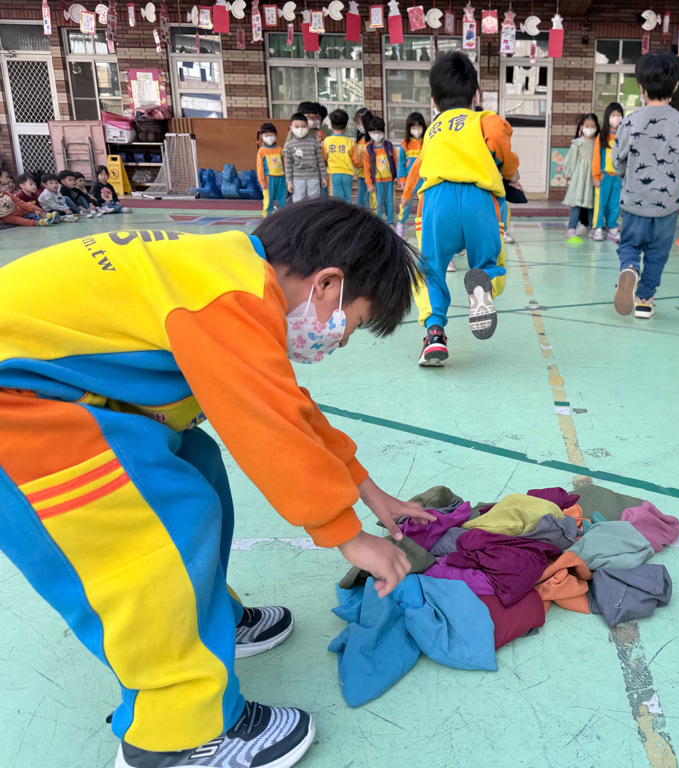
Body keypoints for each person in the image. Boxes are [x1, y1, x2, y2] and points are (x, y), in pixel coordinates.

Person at [0, 198, 433, 768]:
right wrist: (349, 536)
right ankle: (178, 733)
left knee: (195, 460)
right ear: (328, 284)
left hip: (50, 393)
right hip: (19, 415)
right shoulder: (230, 297)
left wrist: (370, 493)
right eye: (350, 324)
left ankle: (209, 623)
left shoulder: (226, 273)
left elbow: (288, 406)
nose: (340, 340)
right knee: (162, 524)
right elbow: (269, 430)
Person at [410, 51, 520, 367]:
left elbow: (418, 169)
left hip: (436, 202)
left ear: (434, 101)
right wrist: (509, 171)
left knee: (430, 269)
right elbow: (499, 136)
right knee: (489, 260)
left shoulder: (431, 131)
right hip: (479, 200)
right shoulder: (482, 119)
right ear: (476, 95)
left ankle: (434, 334)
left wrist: (405, 198)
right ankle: (483, 284)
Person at [612, 50, 679, 320]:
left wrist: (629, 178)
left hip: (634, 202)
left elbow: (618, 161)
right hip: (666, 206)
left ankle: (629, 269)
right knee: (657, 254)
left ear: (641, 87)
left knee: (629, 244)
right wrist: (672, 179)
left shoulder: (629, 121)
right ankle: (644, 301)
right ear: (675, 86)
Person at [564, 113, 599, 239]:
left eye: (592, 126)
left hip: (592, 178)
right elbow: (571, 159)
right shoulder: (577, 143)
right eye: (587, 126)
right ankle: (571, 228)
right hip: (579, 178)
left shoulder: (598, 144)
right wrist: (568, 172)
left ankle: (593, 228)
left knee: (592, 203)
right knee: (576, 203)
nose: (589, 129)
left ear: (597, 128)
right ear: (581, 127)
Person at [593, 102, 624, 242]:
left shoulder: (624, 136)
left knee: (615, 204)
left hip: (618, 177)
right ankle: (598, 228)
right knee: (601, 203)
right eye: (613, 115)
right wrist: (596, 176)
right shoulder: (602, 136)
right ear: (607, 117)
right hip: (604, 176)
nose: (616, 118)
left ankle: (613, 228)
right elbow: (596, 157)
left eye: (619, 115)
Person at [363, 115, 398, 227]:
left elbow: (395, 161)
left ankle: (390, 223)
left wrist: (397, 177)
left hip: (389, 181)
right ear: (369, 133)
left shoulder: (389, 146)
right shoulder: (368, 149)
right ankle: (377, 224)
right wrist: (369, 183)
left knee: (390, 203)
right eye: (374, 132)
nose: (377, 135)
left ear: (383, 132)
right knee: (377, 204)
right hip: (377, 182)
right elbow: (366, 167)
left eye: (379, 132)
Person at [283, 113, 327, 203]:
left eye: (303, 126)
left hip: (313, 177)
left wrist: (323, 177)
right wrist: (289, 182)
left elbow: (320, 161)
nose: (300, 129)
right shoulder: (289, 145)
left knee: (314, 200)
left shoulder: (314, 143)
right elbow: (288, 165)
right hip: (297, 178)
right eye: (297, 126)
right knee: (299, 201)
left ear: (307, 127)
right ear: (291, 128)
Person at [396, 111, 427, 238]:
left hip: (424, 179)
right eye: (413, 127)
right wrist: (402, 179)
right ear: (409, 129)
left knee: (425, 204)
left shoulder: (427, 142)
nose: (416, 130)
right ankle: (400, 225)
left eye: (419, 127)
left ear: (423, 127)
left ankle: (425, 229)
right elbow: (401, 162)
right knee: (405, 204)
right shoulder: (405, 144)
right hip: (410, 180)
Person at [323, 109, 356, 203]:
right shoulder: (350, 142)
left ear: (331, 124)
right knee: (347, 198)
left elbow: (324, 158)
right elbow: (355, 160)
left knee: (336, 199)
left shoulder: (327, 141)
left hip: (334, 173)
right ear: (346, 125)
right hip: (348, 174)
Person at [256, 122, 288, 216]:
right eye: (266, 135)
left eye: (271, 135)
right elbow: (260, 167)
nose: (269, 137)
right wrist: (262, 181)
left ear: (276, 135)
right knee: (268, 200)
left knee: (282, 200)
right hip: (268, 179)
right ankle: (266, 217)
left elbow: (286, 164)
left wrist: (288, 178)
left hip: (281, 178)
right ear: (262, 136)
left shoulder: (280, 150)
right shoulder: (262, 151)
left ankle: (283, 216)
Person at [352, 107, 373, 209]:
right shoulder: (359, 141)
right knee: (361, 201)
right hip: (361, 175)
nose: (358, 126)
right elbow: (356, 159)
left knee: (369, 201)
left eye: (359, 123)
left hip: (371, 176)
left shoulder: (373, 141)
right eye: (357, 124)